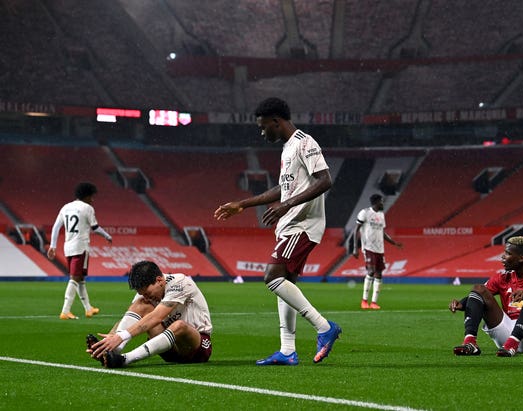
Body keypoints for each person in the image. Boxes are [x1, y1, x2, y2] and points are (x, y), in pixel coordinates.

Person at [214, 97, 341, 366]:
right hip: (290, 224)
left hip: (302, 224)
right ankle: (287, 350)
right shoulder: (287, 149)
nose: (262, 133)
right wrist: (243, 204)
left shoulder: (305, 142)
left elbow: (325, 180)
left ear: (276, 121)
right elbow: (284, 189)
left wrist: (287, 205)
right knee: (285, 283)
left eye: (263, 127)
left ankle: (324, 327)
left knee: (271, 277)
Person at [449, 236, 523, 357]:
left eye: (508, 253)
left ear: (521, 258)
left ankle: (513, 343)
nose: (502, 257)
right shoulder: (502, 278)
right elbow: (480, 295)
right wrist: (463, 303)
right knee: (478, 288)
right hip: (507, 334)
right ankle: (470, 343)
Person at [87, 260, 213, 368]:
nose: (146, 297)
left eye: (147, 293)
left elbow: (156, 317)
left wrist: (121, 336)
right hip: (169, 348)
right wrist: (111, 338)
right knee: (140, 304)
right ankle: (111, 353)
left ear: (159, 280)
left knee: (179, 325)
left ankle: (124, 359)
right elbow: (131, 318)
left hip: (197, 349)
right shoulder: (146, 295)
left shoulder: (180, 283)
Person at [47, 182, 112, 320]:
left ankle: (88, 308)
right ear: (86, 195)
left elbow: (56, 227)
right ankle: (65, 311)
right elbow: (95, 227)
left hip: (68, 246)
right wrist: (107, 235)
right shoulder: (87, 208)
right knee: (75, 278)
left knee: (80, 278)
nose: (93, 199)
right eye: (92, 196)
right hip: (81, 246)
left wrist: (53, 245)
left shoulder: (66, 207)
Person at [352, 193, 403, 310]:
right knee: (371, 271)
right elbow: (356, 230)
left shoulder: (381, 215)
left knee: (379, 274)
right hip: (368, 247)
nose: (383, 203)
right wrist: (355, 248)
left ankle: (374, 302)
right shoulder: (365, 213)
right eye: (381, 201)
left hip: (380, 249)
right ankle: (364, 300)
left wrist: (394, 243)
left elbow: (382, 232)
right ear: (376, 202)